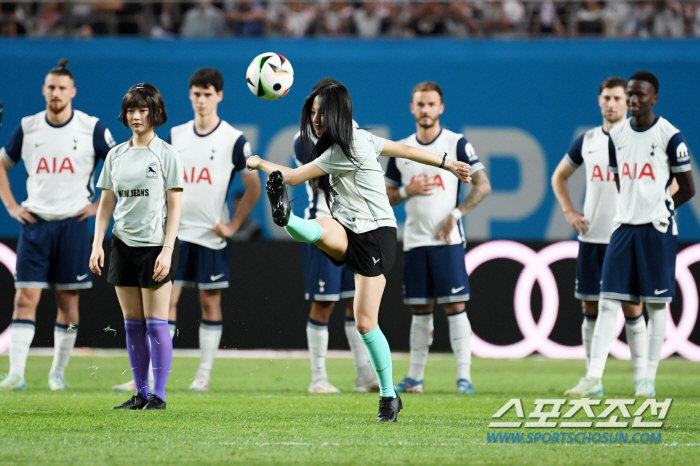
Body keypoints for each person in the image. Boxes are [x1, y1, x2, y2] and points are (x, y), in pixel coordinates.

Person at [246, 82, 472, 422]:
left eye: (322, 112)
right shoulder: (363, 137)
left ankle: (387, 396)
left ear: (337, 112)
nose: (316, 118)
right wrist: (447, 163)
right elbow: (405, 151)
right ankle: (287, 216)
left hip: (376, 237)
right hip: (351, 228)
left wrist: (260, 161)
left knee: (366, 323)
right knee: (321, 227)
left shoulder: (342, 151)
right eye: (312, 112)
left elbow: (291, 176)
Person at [565, 71, 695, 398]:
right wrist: (631, 208)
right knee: (608, 300)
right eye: (631, 94)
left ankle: (646, 380)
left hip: (657, 230)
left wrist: (662, 207)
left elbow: (688, 187)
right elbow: (620, 179)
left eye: (640, 95)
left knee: (654, 305)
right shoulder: (616, 136)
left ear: (654, 98)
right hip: (623, 229)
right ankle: (594, 377)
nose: (634, 100)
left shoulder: (670, 136)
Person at [0, 59, 115, 391]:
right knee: (24, 298)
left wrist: (97, 207)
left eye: (62, 88)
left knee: (68, 302)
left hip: (73, 226)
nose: (56, 93)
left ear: (73, 92)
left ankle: (57, 374)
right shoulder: (28, 127)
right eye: (51, 87)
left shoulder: (91, 128)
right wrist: (10, 204)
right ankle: (17, 375)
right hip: (35, 225)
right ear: (43, 90)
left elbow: (122, 166)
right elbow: (2, 164)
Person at [386, 82, 491, 395]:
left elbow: (483, 185)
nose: (426, 110)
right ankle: (414, 378)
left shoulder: (456, 143)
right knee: (419, 310)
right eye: (420, 104)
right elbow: (387, 195)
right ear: (412, 108)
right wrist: (407, 191)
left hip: (447, 242)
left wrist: (456, 215)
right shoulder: (400, 149)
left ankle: (464, 378)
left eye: (431, 104)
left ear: (441, 108)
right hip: (416, 241)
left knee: (455, 307)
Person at [90, 83, 184, 410]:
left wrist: (168, 249)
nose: (136, 116)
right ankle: (141, 393)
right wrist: (97, 244)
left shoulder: (167, 153)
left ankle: (159, 395)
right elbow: (105, 204)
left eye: (143, 110)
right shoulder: (115, 154)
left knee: (157, 322)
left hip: (156, 247)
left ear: (156, 112)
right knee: (132, 324)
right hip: (122, 246)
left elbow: (176, 206)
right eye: (131, 110)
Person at [553, 77, 648, 389]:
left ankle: (641, 379)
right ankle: (593, 380)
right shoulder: (588, 140)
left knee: (632, 306)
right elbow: (559, 176)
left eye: (618, 98)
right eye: (606, 97)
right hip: (592, 238)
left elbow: (673, 179)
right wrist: (569, 211)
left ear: (628, 102)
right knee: (590, 306)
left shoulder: (639, 139)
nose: (612, 103)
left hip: (626, 236)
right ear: (599, 101)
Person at [293, 78, 378, 394]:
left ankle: (364, 375)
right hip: (323, 226)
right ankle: (318, 378)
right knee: (323, 304)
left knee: (355, 303)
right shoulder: (302, 140)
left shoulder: (358, 134)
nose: (318, 116)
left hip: (354, 226)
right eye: (315, 108)